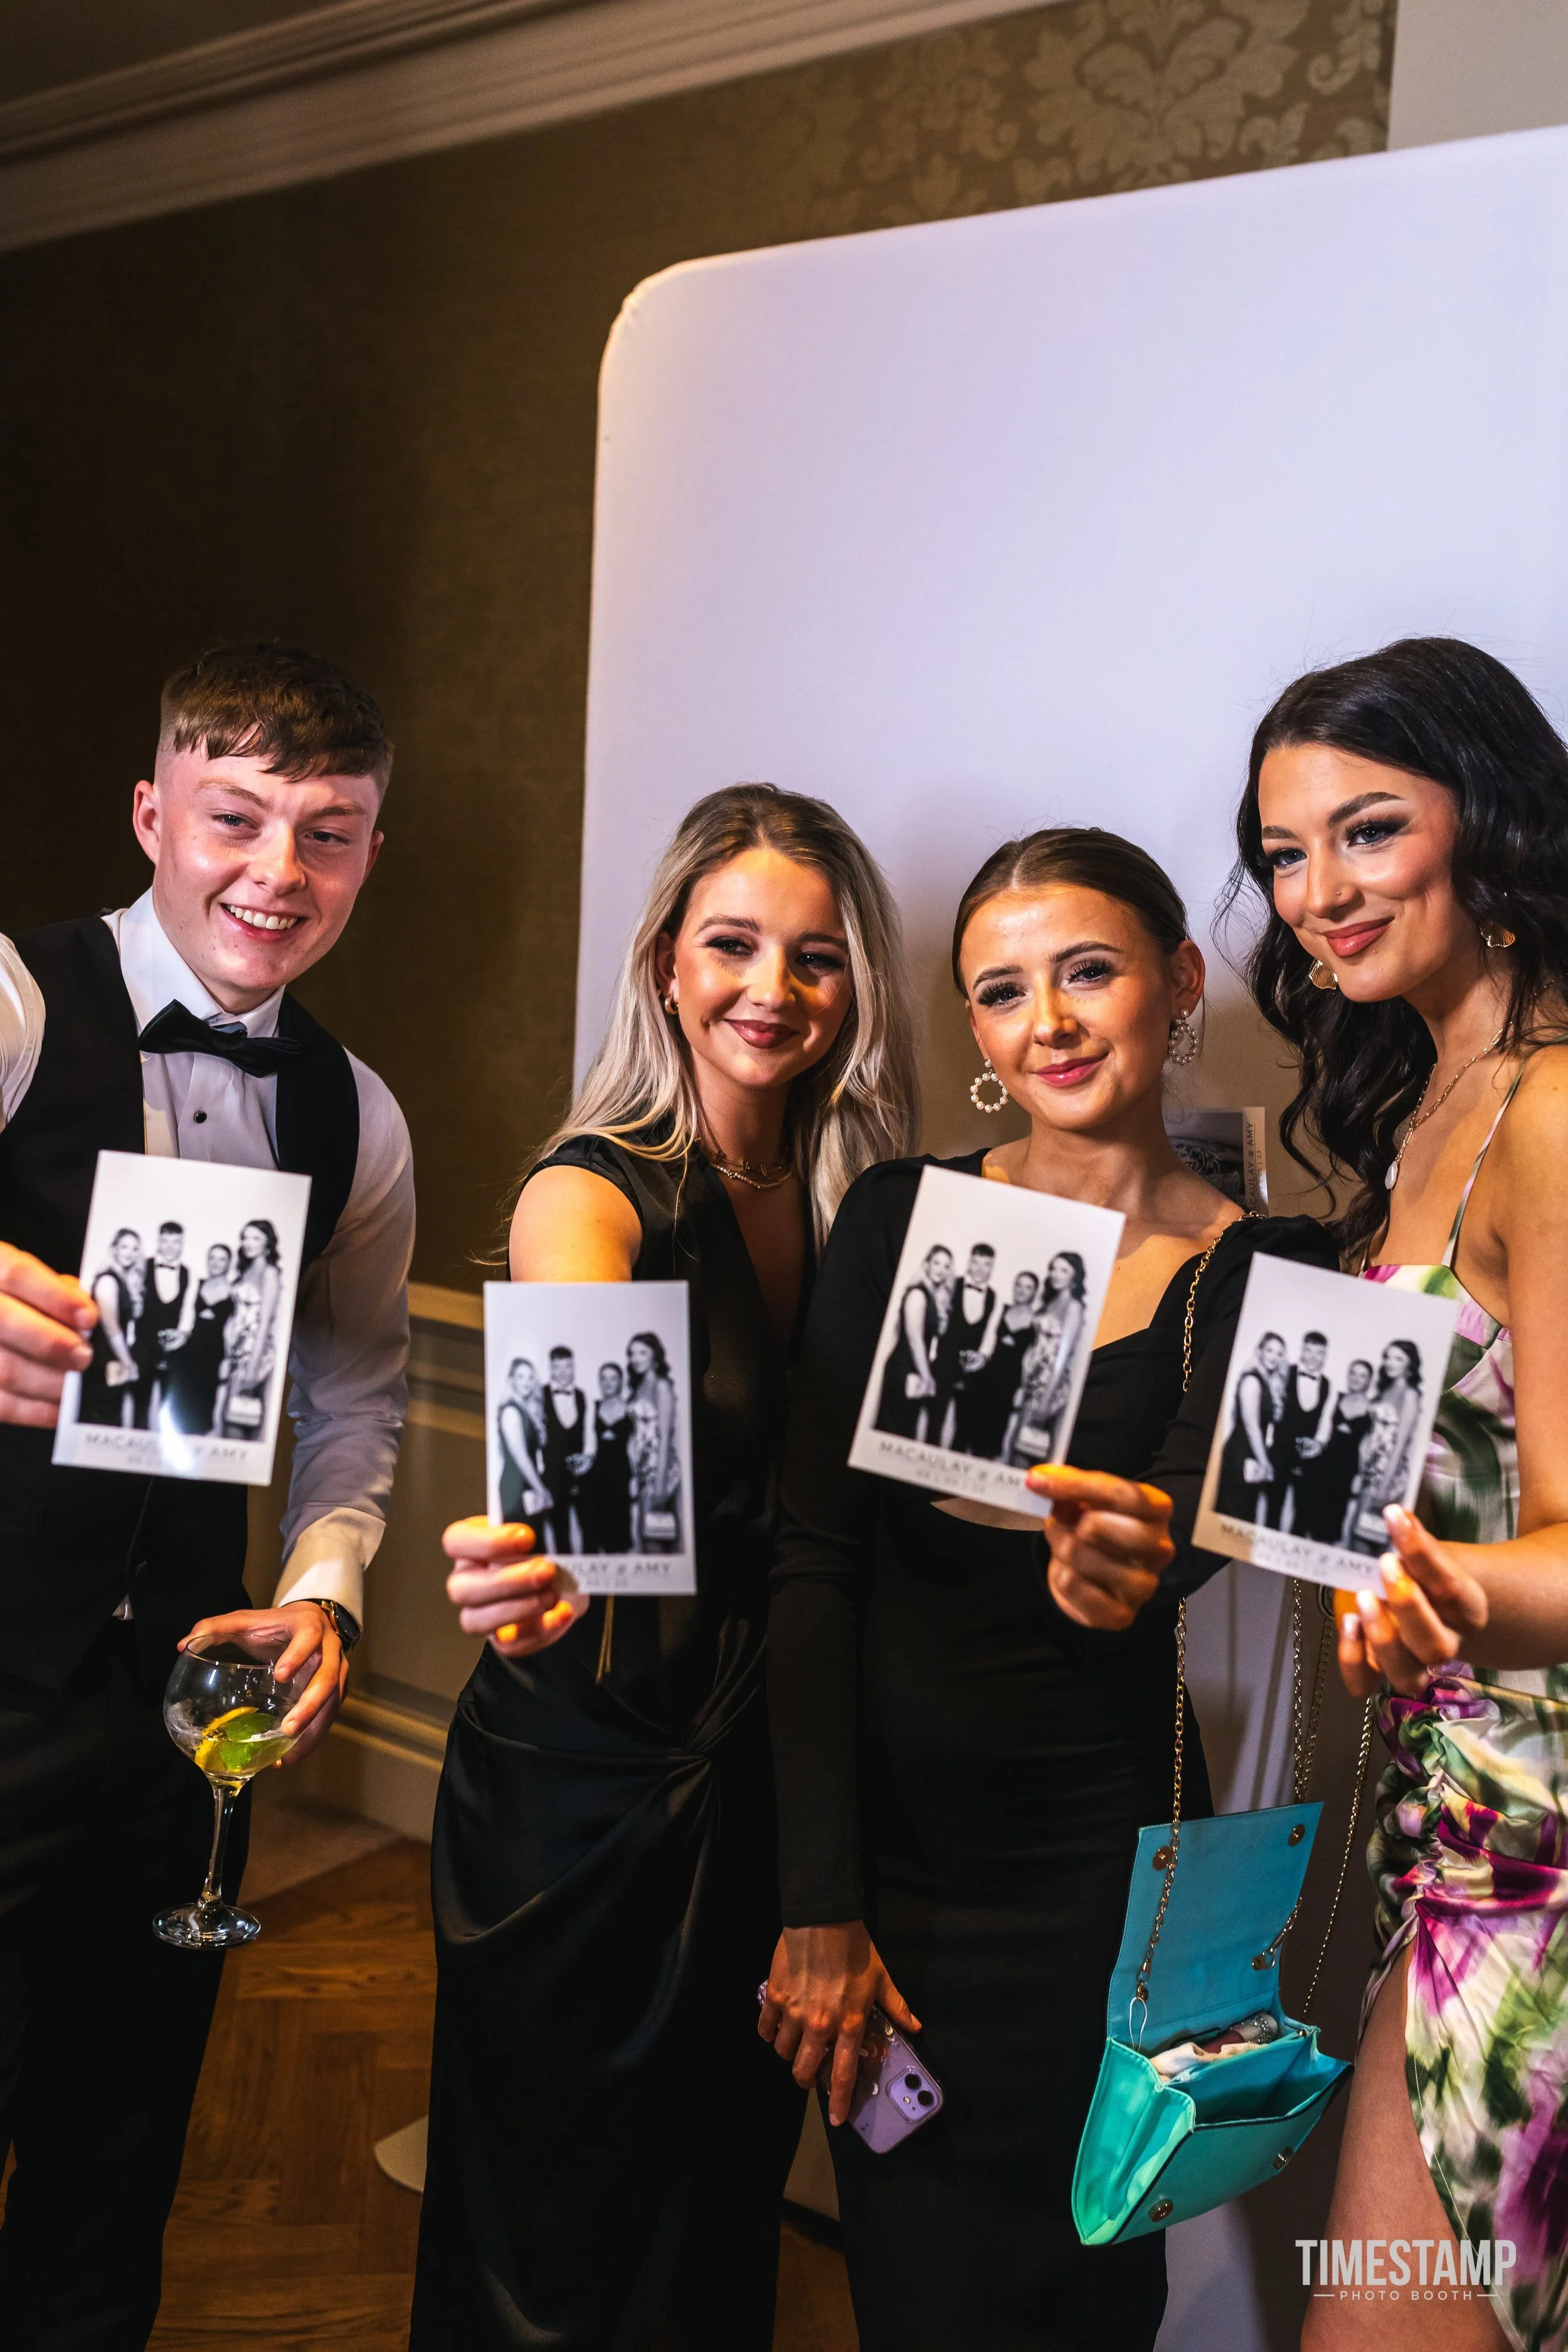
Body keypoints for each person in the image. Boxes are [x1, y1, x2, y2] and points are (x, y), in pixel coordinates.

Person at [760, 825, 1337, 2352]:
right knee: (917, 2279)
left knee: (1091, 2278)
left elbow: (1218, 1518)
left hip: (1101, 1874)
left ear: (1180, 981)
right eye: (1004, 990)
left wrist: (1146, 1558)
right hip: (895, 1868)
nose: (1052, 1022)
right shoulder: (900, 1212)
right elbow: (816, 1554)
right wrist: (818, 1899)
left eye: (1088, 970)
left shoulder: (1271, 1262)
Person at [412, 784, 919, 2352]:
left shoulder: (866, 1201)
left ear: (859, 990)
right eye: (732, 943)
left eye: (817, 955)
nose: (773, 987)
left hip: (770, 1780)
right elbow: (567, 1466)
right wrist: (532, 1558)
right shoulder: (593, 1188)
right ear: (664, 963)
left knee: (715, 2211)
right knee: (550, 2243)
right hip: (588, 1791)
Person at [0, 642, 413, 2351]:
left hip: (177, 1713)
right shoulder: (16, 1002)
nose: (278, 870)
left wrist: (322, 1584)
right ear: (152, 812)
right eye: (236, 816)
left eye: (329, 830)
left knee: (120, 2146)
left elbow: (358, 1400)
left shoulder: (354, 1111)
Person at [1232, 635, 1568, 2352]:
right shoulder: (1417, 1096)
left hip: (1541, 1854)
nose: (1314, 892)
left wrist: (1449, 1592)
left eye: (1362, 833)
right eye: (1283, 852)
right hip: (1447, 1824)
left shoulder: (1555, 1110)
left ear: (1487, 819)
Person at [1002, 1248, 1087, 1465]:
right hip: (1033, 1382)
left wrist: (1046, 1400)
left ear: (1074, 1276)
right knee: (1017, 1445)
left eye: (1063, 1270)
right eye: (1053, 1269)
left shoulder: (1073, 1307)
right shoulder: (1051, 1302)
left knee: (1023, 1450)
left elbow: (1063, 1354)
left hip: (1049, 1386)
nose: (1056, 1274)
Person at [1345, 1340, 1422, 1554]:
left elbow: (1400, 1443)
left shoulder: (1410, 1395)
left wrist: (1385, 1486)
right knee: (1357, 1536)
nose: (1390, 1362)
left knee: (1369, 1541)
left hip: (1388, 1474)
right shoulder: (1385, 1390)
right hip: (1370, 1470)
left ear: (1410, 1364)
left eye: (1398, 1358)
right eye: (1388, 1356)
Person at [875, 1242, 953, 1439]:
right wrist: (928, 1378)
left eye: (946, 1267)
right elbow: (915, 1340)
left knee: (902, 1435)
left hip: (914, 1369)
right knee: (892, 1436)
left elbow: (931, 1337)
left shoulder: (932, 1295)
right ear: (926, 1265)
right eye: (937, 1263)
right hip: (904, 1370)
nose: (941, 1271)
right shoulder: (918, 1294)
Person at [1296, 1355, 1373, 1545]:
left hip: (1346, 1471)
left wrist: (1360, 1477)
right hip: (1323, 1465)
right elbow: (1322, 1431)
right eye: (1353, 1373)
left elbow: (1368, 1446)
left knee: (1331, 1521)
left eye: (1362, 1376)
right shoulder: (1335, 1398)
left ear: (1369, 1381)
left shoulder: (1373, 1410)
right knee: (1308, 1515)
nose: (1356, 1378)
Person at [964, 1266, 1040, 1458]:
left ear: (1034, 1293)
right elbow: (987, 1340)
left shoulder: (1037, 1322)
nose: (1022, 1290)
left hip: (1009, 1383)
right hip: (986, 1377)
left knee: (994, 1433)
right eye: (1019, 1285)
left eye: (1028, 1287)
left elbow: (1032, 1359)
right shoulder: (1001, 1309)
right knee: (972, 1429)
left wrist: (1024, 1390)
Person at [218, 1217, 283, 1440]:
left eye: (256, 1238)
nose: (249, 1242)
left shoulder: (270, 1274)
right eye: (246, 1237)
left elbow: (265, 1323)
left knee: (238, 1419)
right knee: (235, 1416)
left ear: (268, 1243)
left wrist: (253, 1367)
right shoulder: (246, 1271)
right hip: (238, 1352)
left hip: (255, 1352)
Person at [163, 1242, 235, 1437]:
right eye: (212, 1258)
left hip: (214, 1352)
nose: (216, 1263)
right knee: (182, 1398)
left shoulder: (235, 1291)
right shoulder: (198, 1284)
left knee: (204, 1400)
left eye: (222, 1259)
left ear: (229, 1263)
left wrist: (228, 1361)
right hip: (190, 1349)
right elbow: (185, 1316)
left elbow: (233, 1330)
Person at [1213, 1330, 1285, 1524]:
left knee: (1242, 1519)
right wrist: (1265, 1463)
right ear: (1260, 1351)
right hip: (1241, 1454)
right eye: (1269, 1350)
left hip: (1250, 1453)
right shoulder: (1252, 1381)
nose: (1274, 1357)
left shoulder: (1267, 1382)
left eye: (1279, 1354)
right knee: (1233, 1519)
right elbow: (1252, 1426)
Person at [79, 1226, 145, 1426]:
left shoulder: (123, 1279)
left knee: (109, 1416)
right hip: (105, 1359)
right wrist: (128, 1362)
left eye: (135, 1249)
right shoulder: (108, 1280)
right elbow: (112, 1328)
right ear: (114, 1249)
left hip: (112, 1358)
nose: (129, 1253)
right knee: (100, 1417)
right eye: (124, 1247)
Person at [134, 1221, 194, 1431]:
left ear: (182, 1244)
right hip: (143, 1349)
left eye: (176, 1242)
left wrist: (183, 1333)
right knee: (139, 1407)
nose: (170, 1247)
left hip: (171, 1352)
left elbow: (188, 1308)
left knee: (170, 1410)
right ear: (158, 1242)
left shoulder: (187, 1272)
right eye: (165, 1241)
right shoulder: (142, 1266)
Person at [939, 1242, 999, 1453]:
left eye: (987, 1264)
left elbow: (990, 1332)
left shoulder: (992, 1295)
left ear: (992, 1268)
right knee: (935, 1420)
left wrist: (983, 1356)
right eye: (977, 1262)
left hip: (971, 1371)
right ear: (970, 1263)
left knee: (964, 1425)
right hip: (944, 1364)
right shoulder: (951, 1284)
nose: (982, 1269)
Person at [1273, 1328, 1334, 1532]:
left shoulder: (1326, 1384)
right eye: (1309, 1351)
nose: (1313, 1357)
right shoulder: (1285, 1372)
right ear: (1302, 1350)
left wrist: (1319, 1443)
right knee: (1274, 1506)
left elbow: (1326, 1419)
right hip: (1280, 1451)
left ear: (1325, 1356)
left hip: (1308, 1457)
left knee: (1302, 1511)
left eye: (1319, 1353)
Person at [625, 1329, 680, 1550]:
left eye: (642, 1352)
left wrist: (659, 1482)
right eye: (632, 1354)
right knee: (644, 1532)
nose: (635, 1359)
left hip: (660, 1469)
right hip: (642, 1468)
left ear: (655, 1355)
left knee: (654, 1535)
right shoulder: (639, 1387)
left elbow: (666, 1436)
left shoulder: (662, 1386)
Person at [540, 1343, 592, 1551]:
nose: (563, 1372)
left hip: (580, 1475)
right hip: (552, 1476)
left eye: (568, 1366)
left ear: (574, 1368)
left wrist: (588, 1455)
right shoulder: (540, 1394)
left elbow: (588, 1431)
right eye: (557, 1367)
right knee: (560, 1531)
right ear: (551, 1369)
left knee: (589, 1528)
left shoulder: (581, 1395)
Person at [582, 1360, 633, 1553]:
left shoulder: (632, 1409)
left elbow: (638, 1447)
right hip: (596, 1477)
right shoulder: (592, 1407)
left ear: (621, 1381)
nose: (608, 1383)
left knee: (618, 1536)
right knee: (594, 1534)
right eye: (604, 1378)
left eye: (613, 1378)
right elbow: (586, 1442)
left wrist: (637, 1479)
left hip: (621, 1475)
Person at [496, 1357, 551, 1527]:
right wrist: (541, 1489)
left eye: (530, 1377)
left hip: (527, 1485)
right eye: (520, 1377)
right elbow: (520, 1456)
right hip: (516, 1487)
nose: (526, 1382)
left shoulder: (528, 1409)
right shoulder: (511, 1411)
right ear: (512, 1380)